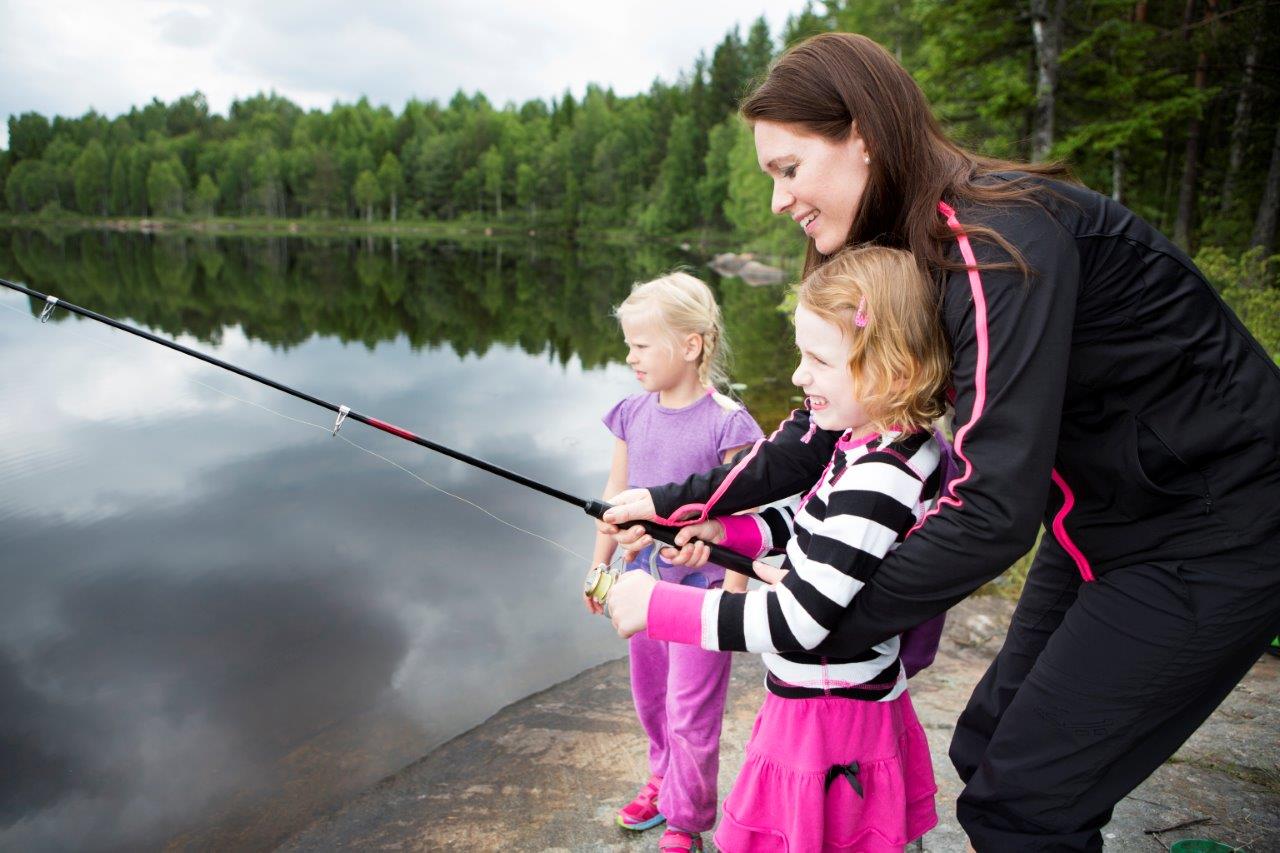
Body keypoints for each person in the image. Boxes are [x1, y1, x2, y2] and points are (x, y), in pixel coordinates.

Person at [602, 32, 1280, 852]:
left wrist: (818, 617)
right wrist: (670, 503)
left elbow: (994, 507)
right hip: (1101, 518)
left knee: (1023, 803)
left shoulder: (992, 242)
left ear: (863, 136)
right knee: (985, 747)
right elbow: (812, 435)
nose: (780, 200)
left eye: (788, 168)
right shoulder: (889, 260)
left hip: (1218, 526)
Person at [607, 245, 951, 853]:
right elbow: (808, 518)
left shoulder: (881, 477)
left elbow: (800, 619)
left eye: (818, 360)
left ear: (893, 371)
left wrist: (658, 606)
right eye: (799, 356)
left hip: (829, 719)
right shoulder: (868, 445)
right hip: (825, 701)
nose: (798, 377)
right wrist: (724, 534)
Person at [586, 271, 764, 853]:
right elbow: (614, 498)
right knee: (651, 695)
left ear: (690, 346)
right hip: (640, 587)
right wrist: (601, 568)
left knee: (692, 709)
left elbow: (748, 522)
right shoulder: (631, 414)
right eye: (628, 344)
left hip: (702, 599)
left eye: (641, 345)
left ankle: (686, 818)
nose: (629, 356)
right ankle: (660, 775)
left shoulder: (728, 422)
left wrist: (732, 600)